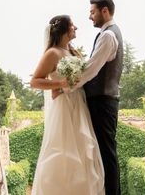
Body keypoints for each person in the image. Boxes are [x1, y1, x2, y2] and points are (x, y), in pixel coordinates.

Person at [29, 15, 104, 194]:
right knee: (64, 151)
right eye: (72, 25)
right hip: (63, 106)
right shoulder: (52, 53)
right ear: (63, 29)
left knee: (84, 148)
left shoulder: (72, 51)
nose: (76, 28)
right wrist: (60, 84)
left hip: (79, 103)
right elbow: (35, 82)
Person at [57, 0, 124, 195]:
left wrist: (66, 87)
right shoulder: (110, 33)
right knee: (103, 151)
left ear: (105, 11)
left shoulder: (108, 36)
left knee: (106, 152)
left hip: (103, 101)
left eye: (92, 12)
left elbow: (91, 70)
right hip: (103, 99)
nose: (89, 16)